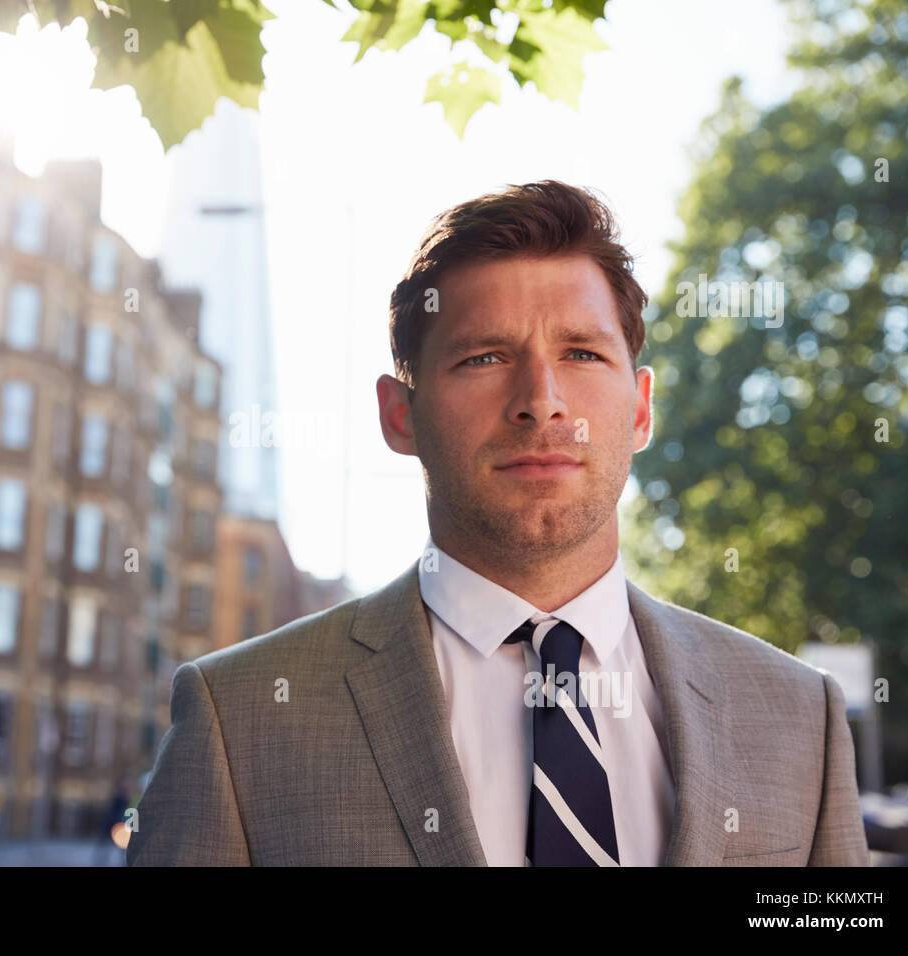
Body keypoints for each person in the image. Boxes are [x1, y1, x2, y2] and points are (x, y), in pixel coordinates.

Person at [126, 181, 869, 867]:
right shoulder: (239, 719)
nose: (542, 401)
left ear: (640, 408)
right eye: (484, 357)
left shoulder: (799, 716)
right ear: (398, 414)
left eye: (581, 352)